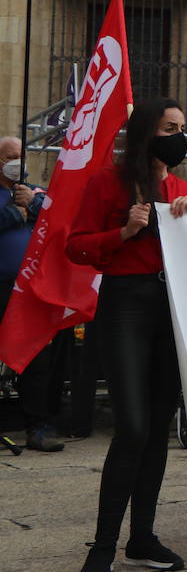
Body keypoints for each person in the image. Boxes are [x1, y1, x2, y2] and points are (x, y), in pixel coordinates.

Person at [66, 98, 187, 572]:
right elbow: (76, 244)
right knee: (133, 428)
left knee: (158, 431)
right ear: (146, 132)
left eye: (183, 127)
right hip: (125, 305)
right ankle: (102, 548)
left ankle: (141, 537)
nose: (178, 135)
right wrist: (123, 233)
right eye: (170, 126)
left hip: (172, 309)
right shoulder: (107, 182)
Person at [0, 136, 66, 453]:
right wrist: (13, 215)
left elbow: (60, 223)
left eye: (21, 156)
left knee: (37, 359)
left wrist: (34, 205)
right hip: (1, 285)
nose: (18, 162)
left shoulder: (35, 193)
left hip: (29, 289)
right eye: (11, 156)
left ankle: (37, 426)